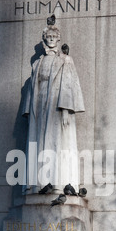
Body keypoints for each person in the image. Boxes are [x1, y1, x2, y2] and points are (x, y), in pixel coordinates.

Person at [22, 17, 85, 193]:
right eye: (47, 36)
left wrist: (65, 109)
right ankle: (37, 183)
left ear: (58, 39)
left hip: (56, 106)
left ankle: (57, 182)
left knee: (57, 144)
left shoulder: (66, 60)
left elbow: (68, 86)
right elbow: (31, 89)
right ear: (44, 40)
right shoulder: (37, 63)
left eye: (53, 36)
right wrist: (28, 112)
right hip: (39, 106)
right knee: (38, 144)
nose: (50, 39)